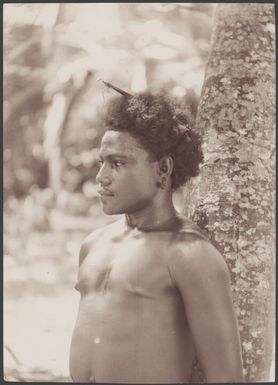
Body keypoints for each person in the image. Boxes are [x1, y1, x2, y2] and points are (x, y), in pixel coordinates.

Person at [69, 90, 244, 383]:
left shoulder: (188, 254)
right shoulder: (93, 245)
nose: (101, 176)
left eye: (117, 163)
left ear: (162, 169)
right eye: (102, 162)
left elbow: (226, 378)